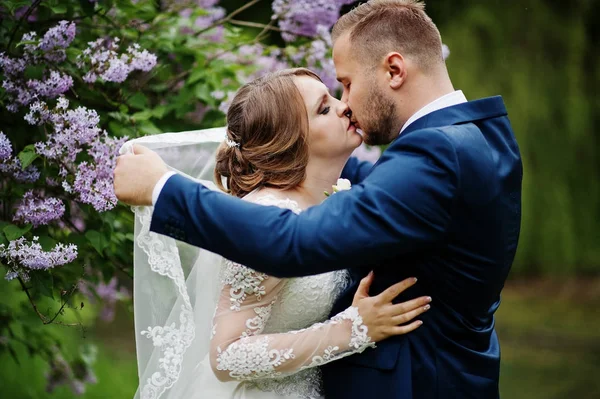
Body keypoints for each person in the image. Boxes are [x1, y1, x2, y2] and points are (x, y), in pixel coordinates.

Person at [114, 1, 523, 398]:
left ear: (394, 70)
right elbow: (376, 186)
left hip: (417, 384)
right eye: (328, 103)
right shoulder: (481, 135)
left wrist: (162, 188)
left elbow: (294, 241)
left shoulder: (433, 155)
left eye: (346, 84)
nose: (346, 104)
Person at [127, 68, 431, 399]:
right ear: (292, 139)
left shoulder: (331, 199)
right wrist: (352, 329)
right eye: (324, 109)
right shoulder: (267, 218)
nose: (344, 105)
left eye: (332, 96)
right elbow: (226, 356)